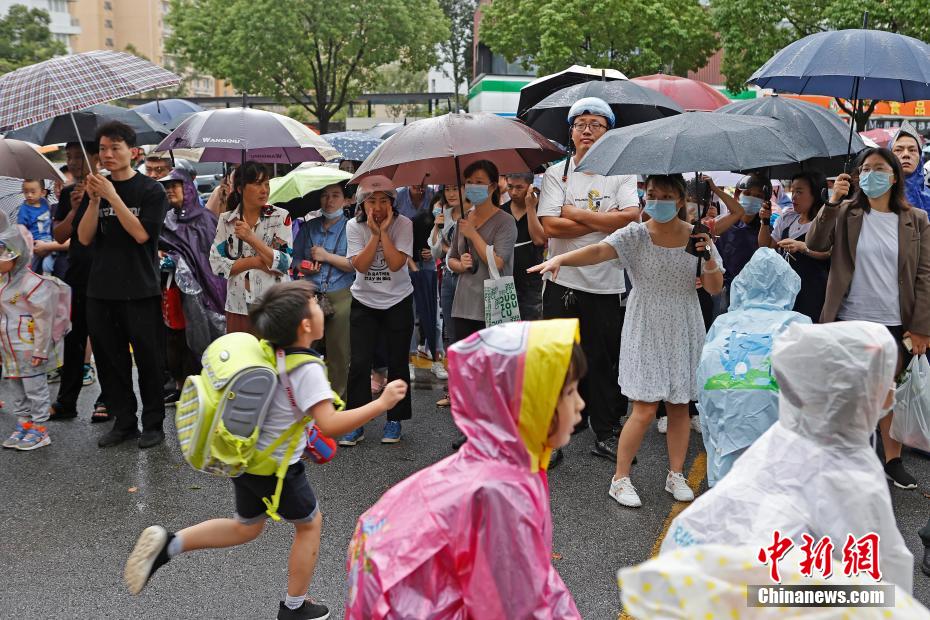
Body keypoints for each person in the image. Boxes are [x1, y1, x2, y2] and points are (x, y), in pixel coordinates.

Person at [123, 281, 408, 620]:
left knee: (246, 526)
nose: (321, 307)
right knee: (310, 524)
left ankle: (168, 545)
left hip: (247, 459)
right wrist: (381, 404)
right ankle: (295, 607)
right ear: (305, 325)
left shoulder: (272, 350)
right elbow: (331, 424)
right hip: (276, 468)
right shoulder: (308, 369)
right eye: (314, 304)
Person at [345, 319, 584, 619]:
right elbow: (511, 606)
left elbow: (532, 580)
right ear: (527, 404)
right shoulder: (501, 492)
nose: (580, 404)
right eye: (569, 393)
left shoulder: (505, 463)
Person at [661, 321, 914, 595]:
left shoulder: (784, 439)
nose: (892, 392)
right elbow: (882, 576)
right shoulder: (851, 472)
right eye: (888, 381)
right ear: (864, 392)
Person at [531, 174, 724, 508]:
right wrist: (561, 259)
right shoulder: (635, 234)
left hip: (684, 322)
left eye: (666, 196)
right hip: (645, 323)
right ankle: (620, 479)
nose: (658, 202)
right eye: (652, 195)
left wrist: (707, 256)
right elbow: (598, 250)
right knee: (645, 408)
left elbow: (714, 288)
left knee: (679, 405)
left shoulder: (697, 236)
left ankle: (676, 473)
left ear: (681, 200)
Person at [807, 147, 930, 490]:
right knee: (850, 392)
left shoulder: (916, 219)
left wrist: (922, 327)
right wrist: (832, 202)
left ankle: (892, 460)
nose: (870, 175)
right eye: (865, 169)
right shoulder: (846, 212)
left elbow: (924, 274)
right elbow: (816, 242)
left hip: (895, 321)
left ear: (894, 176)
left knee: (889, 392)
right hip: (849, 319)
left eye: (879, 168)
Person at [536, 97, 639, 461]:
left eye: (596, 125)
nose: (587, 131)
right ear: (571, 132)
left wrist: (574, 214)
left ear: (609, 132)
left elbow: (630, 218)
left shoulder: (623, 173)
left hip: (606, 283)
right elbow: (550, 226)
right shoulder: (556, 173)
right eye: (580, 125)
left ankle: (606, 432)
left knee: (602, 361)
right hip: (561, 281)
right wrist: (604, 221)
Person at [76, 122, 169, 449]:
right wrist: (92, 202)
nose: (107, 154)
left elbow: (142, 235)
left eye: (115, 148)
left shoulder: (151, 191)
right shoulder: (97, 188)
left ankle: (153, 424)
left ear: (133, 152)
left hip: (140, 288)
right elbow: (84, 237)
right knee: (110, 360)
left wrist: (112, 197)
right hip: (101, 289)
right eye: (103, 148)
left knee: (148, 360)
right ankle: (125, 421)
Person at [697, 248, 810, 486]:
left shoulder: (724, 323)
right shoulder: (797, 323)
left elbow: (704, 376)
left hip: (727, 423)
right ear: (789, 284)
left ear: (742, 284)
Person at [340, 176, 415, 446]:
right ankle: (356, 422)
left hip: (398, 299)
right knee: (360, 363)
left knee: (398, 362)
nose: (378, 207)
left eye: (384, 201)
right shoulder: (353, 226)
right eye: (371, 201)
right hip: (364, 300)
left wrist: (384, 232)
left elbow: (395, 264)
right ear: (362, 204)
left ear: (393, 203)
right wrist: (374, 235)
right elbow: (360, 266)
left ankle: (395, 419)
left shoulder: (404, 224)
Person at [157, 169, 227, 399]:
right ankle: (181, 386)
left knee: (207, 332)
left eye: (174, 186)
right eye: (167, 187)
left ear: (187, 188)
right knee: (176, 338)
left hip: (208, 288)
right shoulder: (166, 220)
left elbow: (213, 258)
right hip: (174, 289)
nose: (170, 191)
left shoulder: (206, 219)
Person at [49, 142, 107, 422]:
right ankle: (66, 401)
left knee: (106, 340)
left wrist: (95, 200)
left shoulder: (110, 189)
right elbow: (60, 235)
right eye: (69, 157)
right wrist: (73, 210)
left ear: (96, 158)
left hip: (106, 275)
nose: (72, 162)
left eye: (78, 157)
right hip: (77, 275)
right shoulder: (69, 193)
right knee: (73, 340)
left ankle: (107, 398)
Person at [0, 218, 67, 451]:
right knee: (16, 387)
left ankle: (40, 428)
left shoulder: (33, 283)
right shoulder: (3, 283)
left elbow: (43, 319)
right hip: (9, 348)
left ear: (17, 255)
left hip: (29, 349)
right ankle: (24, 423)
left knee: (35, 389)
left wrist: (40, 349)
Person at [209, 161, 293, 335]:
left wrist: (251, 238)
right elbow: (217, 266)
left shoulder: (280, 217)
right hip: (237, 305)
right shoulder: (226, 221)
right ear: (240, 189)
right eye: (257, 184)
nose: (264, 190)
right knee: (242, 351)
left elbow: (284, 263)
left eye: (266, 184)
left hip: (274, 305)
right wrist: (256, 262)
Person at [291, 182, 355, 400]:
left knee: (339, 352)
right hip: (310, 295)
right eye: (325, 195)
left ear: (346, 200)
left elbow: (355, 264)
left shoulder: (351, 228)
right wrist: (305, 266)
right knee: (304, 349)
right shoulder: (309, 227)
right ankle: (306, 400)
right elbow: (295, 259)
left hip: (341, 294)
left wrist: (327, 256)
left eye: (335, 195)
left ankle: (337, 402)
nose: (329, 201)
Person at [447, 160, 517, 341]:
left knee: (493, 357)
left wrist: (473, 234)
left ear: (492, 186)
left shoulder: (505, 221)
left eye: (479, 182)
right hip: (463, 305)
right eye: (469, 182)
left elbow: (498, 262)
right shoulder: (463, 219)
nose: (472, 187)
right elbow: (451, 258)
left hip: (494, 305)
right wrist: (460, 265)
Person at [757, 171, 830, 323]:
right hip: (785, 292)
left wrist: (803, 247)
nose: (793, 197)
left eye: (799, 192)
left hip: (813, 292)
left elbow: (829, 253)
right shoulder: (787, 219)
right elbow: (766, 245)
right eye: (793, 191)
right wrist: (765, 221)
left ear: (816, 194)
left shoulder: (825, 222)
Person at [404, 183, 446, 379]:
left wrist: (435, 253)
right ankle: (409, 360)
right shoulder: (418, 220)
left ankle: (436, 358)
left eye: (444, 207)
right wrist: (414, 263)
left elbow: (447, 249)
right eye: (438, 205)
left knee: (434, 317)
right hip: (411, 269)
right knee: (411, 317)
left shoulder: (451, 223)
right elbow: (405, 247)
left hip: (430, 269)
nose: (440, 209)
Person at [428, 185, 463, 407]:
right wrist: (437, 226)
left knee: (469, 332)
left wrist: (449, 246)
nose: (451, 194)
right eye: (447, 189)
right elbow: (435, 251)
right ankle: (453, 390)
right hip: (448, 277)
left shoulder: (474, 214)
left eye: (455, 188)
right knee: (451, 332)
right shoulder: (445, 215)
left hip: (469, 279)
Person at [500, 172, 546, 320]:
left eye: (519, 187)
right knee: (506, 330)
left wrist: (530, 208)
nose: (514, 192)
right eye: (510, 187)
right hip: (505, 282)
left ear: (530, 187)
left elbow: (539, 240)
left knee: (531, 330)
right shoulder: (501, 212)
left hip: (533, 283)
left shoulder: (541, 209)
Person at [716, 174, 765, 305]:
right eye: (747, 193)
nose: (752, 199)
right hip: (723, 292)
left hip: (754, 296)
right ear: (738, 195)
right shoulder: (722, 224)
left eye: (759, 196)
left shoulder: (765, 230)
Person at [17, 178, 59, 275]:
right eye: (26, 192)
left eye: (33, 192)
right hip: (34, 243)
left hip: (49, 239)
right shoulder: (24, 209)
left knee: (48, 265)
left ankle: (47, 277)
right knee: (31, 268)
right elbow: (21, 229)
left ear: (43, 193)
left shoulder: (45, 202)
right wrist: (28, 245)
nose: (29, 195)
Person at [891, 120, 930, 216]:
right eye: (898, 150)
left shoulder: (928, 197)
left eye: (912, 150)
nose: (906, 155)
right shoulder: (877, 195)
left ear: (920, 157)